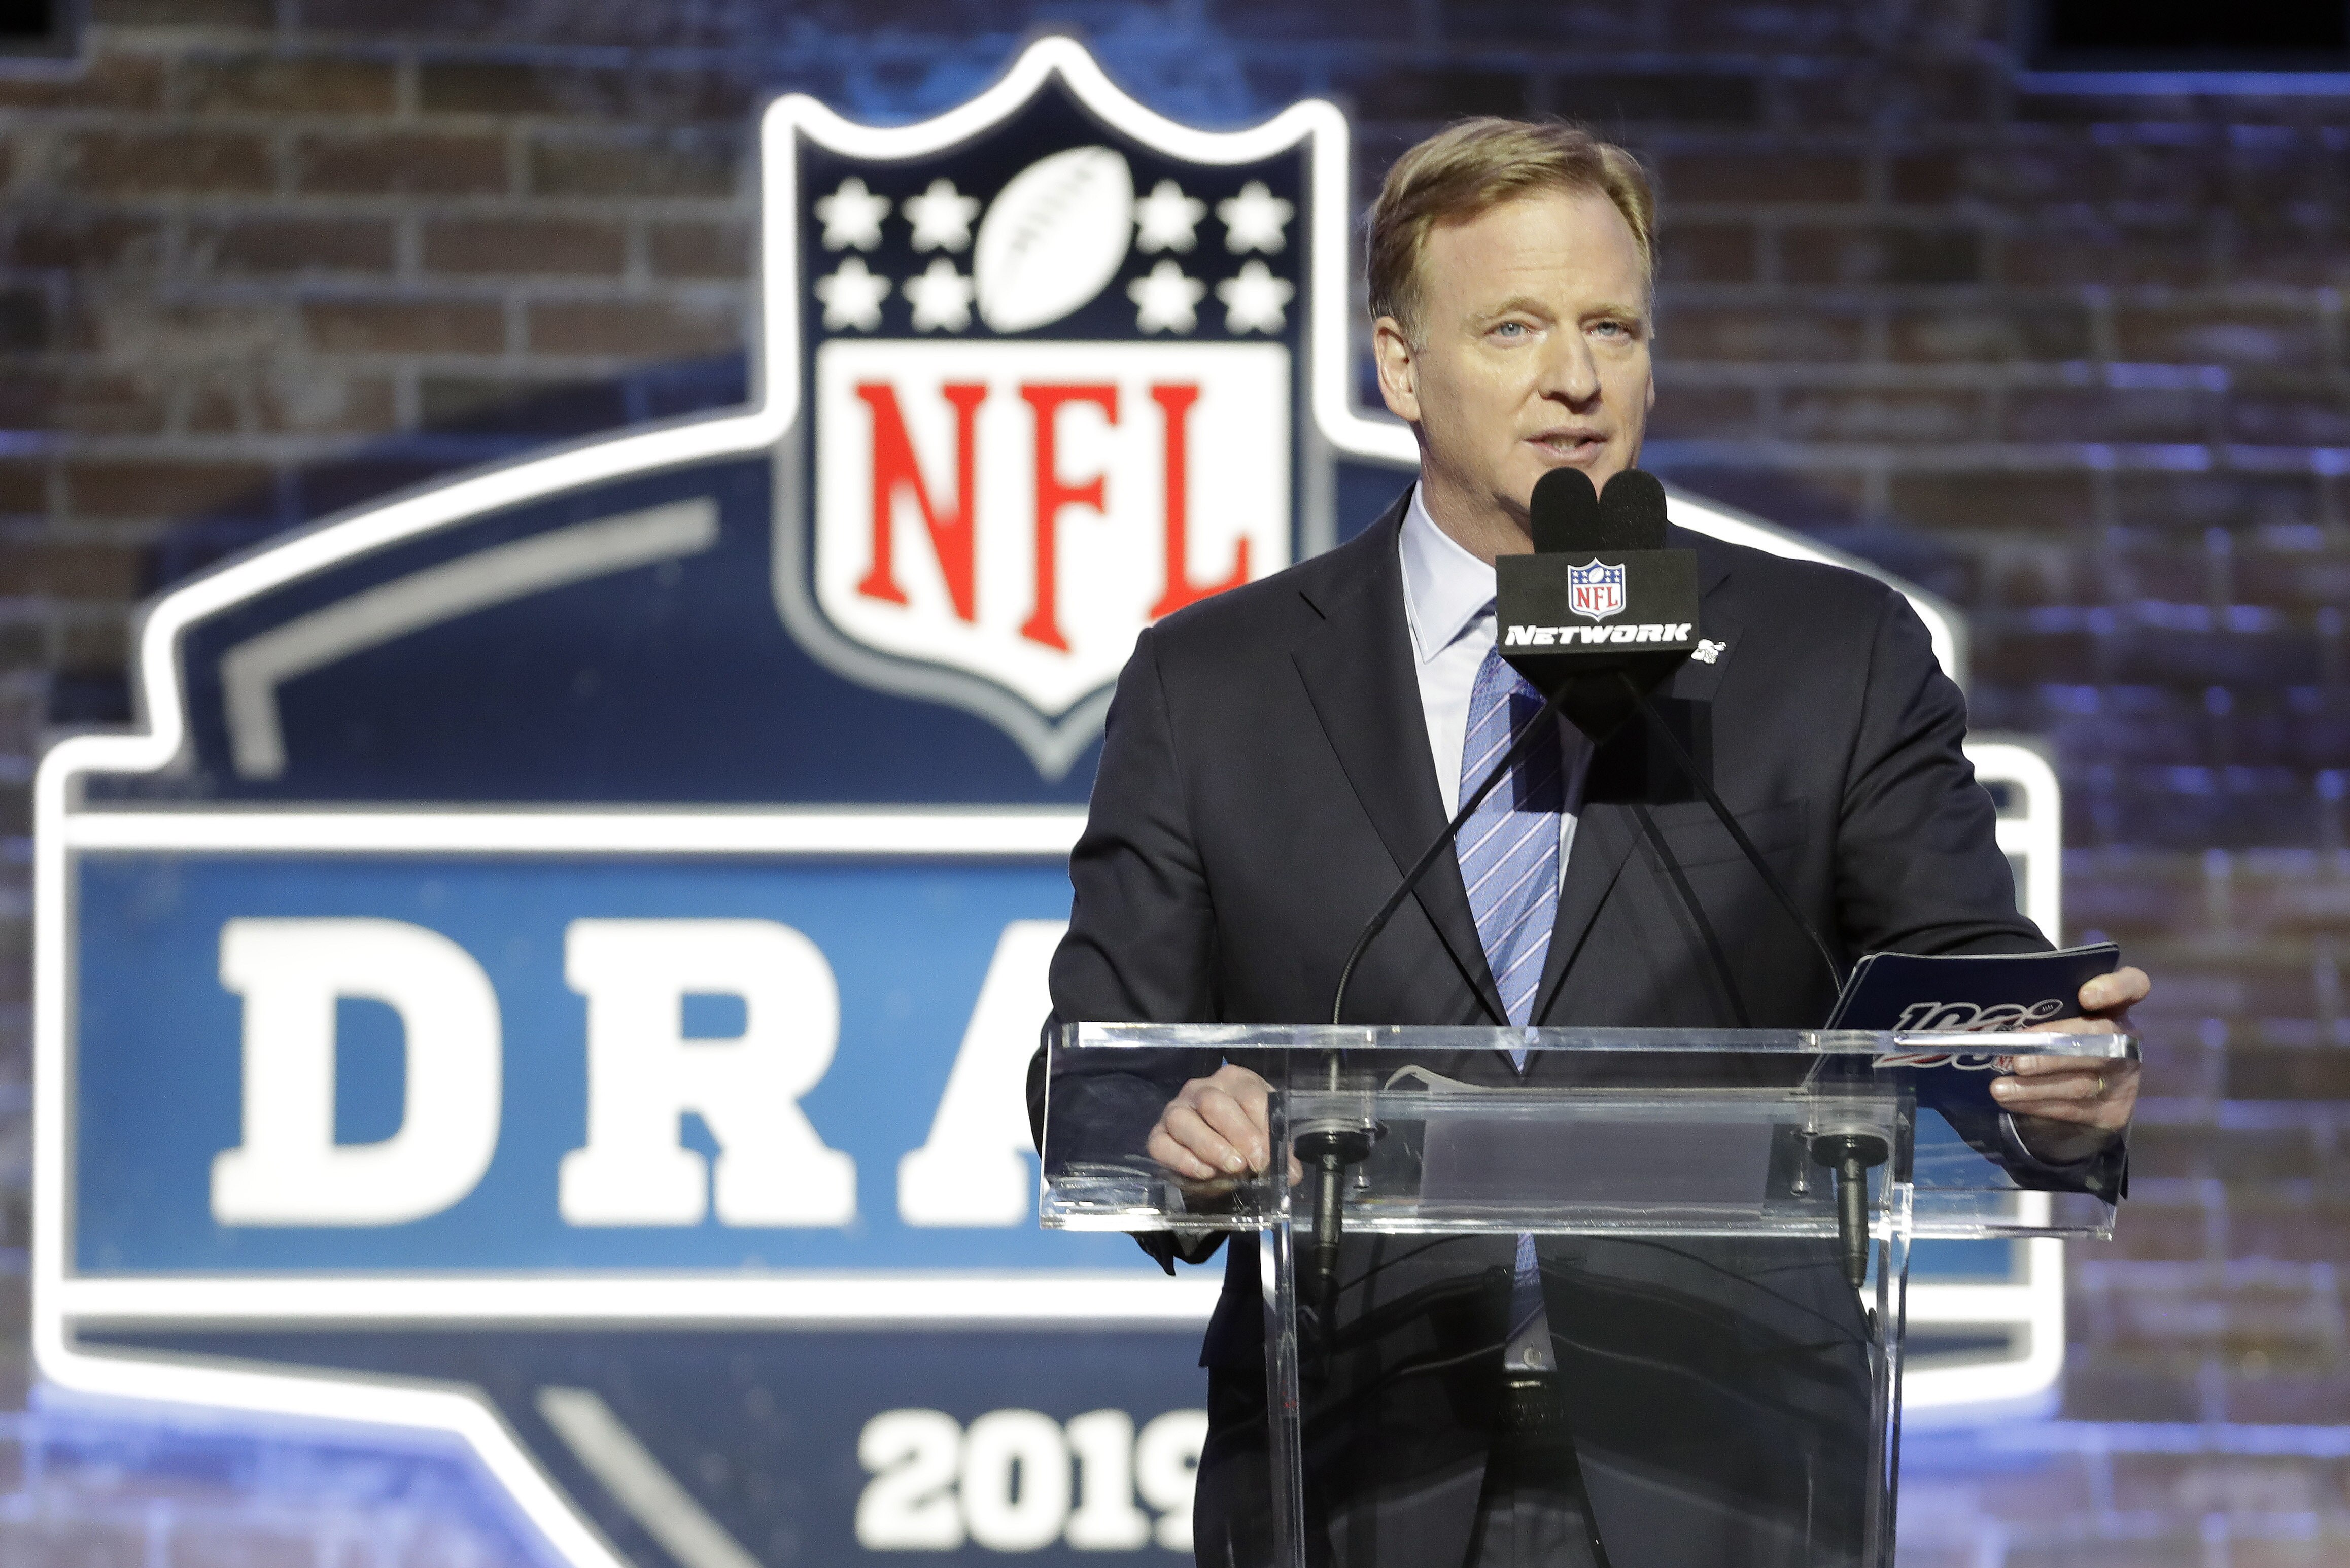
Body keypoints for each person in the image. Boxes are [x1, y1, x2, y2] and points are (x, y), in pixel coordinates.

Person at [1032, 118, 2149, 1568]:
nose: (1575, 376)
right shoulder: (1216, 683)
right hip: (1354, 1459)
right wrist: (1183, 1125)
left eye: (1610, 327)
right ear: (1400, 367)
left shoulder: (1830, 656)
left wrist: (2053, 1086)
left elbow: (1971, 989)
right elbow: (1095, 1066)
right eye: (1514, 327)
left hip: (1730, 1467)